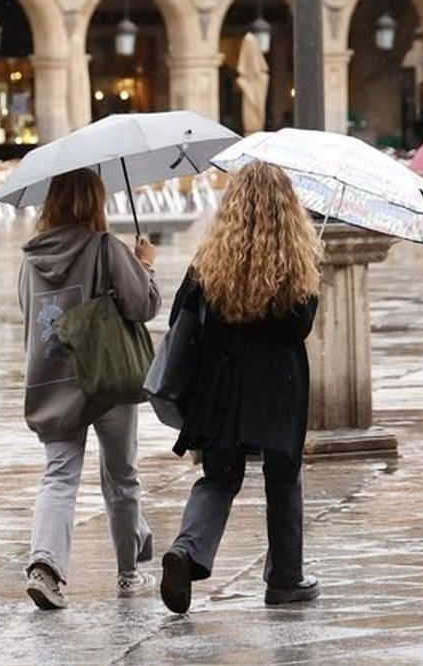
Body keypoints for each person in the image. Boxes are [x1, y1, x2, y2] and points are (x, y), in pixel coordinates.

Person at [159, 162, 322, 615]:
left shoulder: (210, 258)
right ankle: (285, 579)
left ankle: (187, 550)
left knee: (219, 475)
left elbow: (179, 318)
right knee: (283, 476)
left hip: (221, 383)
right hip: (278, 386)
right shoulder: (295, 261)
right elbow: (299, 327)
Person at [17, 169, 161, 610]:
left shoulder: (30, 258)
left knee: (59, 474)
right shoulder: (105, 247)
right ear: (95, 202)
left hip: (53, 380)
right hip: (107, 374)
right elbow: (143, 305)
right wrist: (144, 265)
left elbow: (29, 315)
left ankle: (45, 567)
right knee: (121, 475)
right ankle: (128, 574)